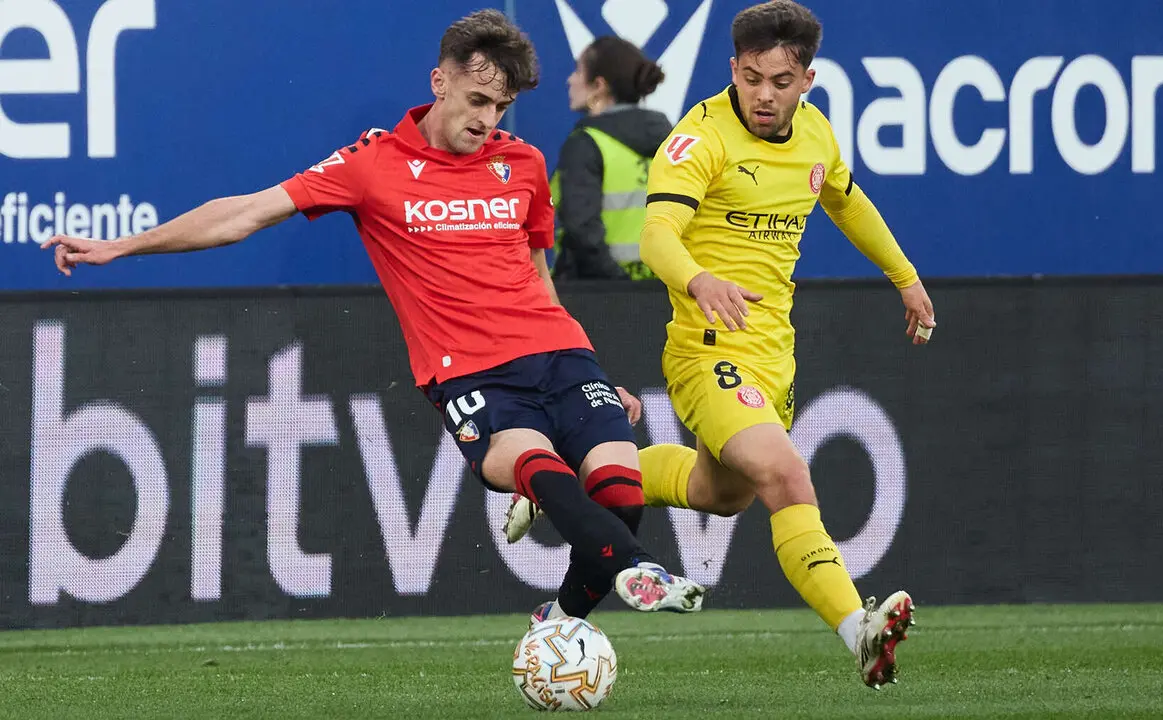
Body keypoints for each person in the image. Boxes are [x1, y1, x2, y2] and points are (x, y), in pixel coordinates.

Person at [40, 10, 704, 624]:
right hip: (472, 371)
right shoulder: (372, 164)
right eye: (477, 100)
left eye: (501, 105)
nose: (488, 117)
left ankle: (558, 624)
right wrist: (122, 245)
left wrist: (594, 366)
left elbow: (537, 276)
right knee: (541, 468)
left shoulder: (522, 163)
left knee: (620, 491)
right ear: (439, 81)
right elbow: (243, 213)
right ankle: (640, 570)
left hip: (558, 351)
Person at [509, 0, 933, 689]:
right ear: (732, 69)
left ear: (808, 81)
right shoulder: (697, 138)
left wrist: (905, 278)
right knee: (787, 475)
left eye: (781, 81)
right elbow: (655, 236)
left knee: (721, 492)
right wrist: (698, 279)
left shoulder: (817, 137)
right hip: (708, 349)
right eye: (752, 78)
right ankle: (859, 628)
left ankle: (570, 477)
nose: (765, 95)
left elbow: (847, 200)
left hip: (772, 351)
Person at [550, 36, 672, 281]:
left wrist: (619, 285)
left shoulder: (585, 144)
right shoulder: (673, 140)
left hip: (597, 296)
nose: (570, 79)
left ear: (599, 86)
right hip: (663, 291)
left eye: (578, 71)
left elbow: (582, 231)